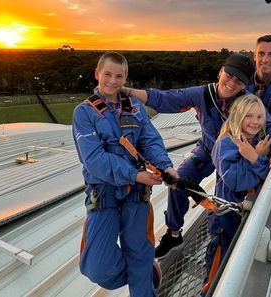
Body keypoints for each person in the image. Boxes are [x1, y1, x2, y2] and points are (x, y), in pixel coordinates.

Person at [122, 53, 271, 260]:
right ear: (221, 71)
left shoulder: (246, 102)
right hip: (207, 149)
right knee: (178, 180)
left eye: (238, 81)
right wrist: (129, 91)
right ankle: (174, 233)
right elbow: (167, 99)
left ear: (244, 85)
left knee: (225, 196)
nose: (231, 83)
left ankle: (224, 240)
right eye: (228, 75)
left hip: (233, 153)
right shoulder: (202, 94)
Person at [72, 52, 178, 297]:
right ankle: (144, 270)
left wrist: (166, 168)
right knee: (96, 268)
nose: (112, 80)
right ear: (97, 74)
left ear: (125, 78)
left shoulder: (135, 108)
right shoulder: (84, 113)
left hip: (136, 195)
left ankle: (142, 275)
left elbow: (151, 141)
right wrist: (134, 175)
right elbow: (94, 159)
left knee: (138, 256)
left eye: (119, 76)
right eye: (107, 74)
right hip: (104, 195)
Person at [203, 94, 271, 293]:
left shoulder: (258, 141)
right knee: (217, 272)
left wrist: (256, 159)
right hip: (225, 221)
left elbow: (269, 177)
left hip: (244, 216)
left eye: (260, 117)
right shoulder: (225, 143)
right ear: (237, 116)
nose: (255, 122)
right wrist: (257, 158)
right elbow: (236, 181)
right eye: (249, 116)